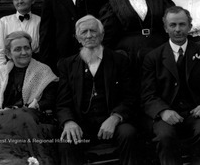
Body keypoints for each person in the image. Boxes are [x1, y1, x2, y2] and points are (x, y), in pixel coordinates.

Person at [141, 6, 200, 165]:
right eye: (172, 25)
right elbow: (148, 94)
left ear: (190, 27)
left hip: (195, 113)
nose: (178, 29)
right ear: (165, 28)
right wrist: (163, 111)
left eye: (182, 24)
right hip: (167, 114)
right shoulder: (153, 57)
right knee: (164, 136)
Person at [56, 15, 139, 165]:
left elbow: (130, 97)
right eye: (84, 32)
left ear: (102, 35)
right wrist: (68, 122)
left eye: (93, 31)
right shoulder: (67, 65)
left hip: (113, 122)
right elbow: (63, 102)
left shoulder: (120, 61)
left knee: (129, 133)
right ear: (77, 38)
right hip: (82, 125)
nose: (89, 36)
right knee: (67, 141)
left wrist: (115, 117)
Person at [0, 31, 59, 165]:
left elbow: (50, 100)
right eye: (17, 49)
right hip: (2, 125)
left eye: (26, 48)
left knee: (23, 118)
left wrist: (18, 110)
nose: (24, 52)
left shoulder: (43, 71)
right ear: (9, 54)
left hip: (33, 123)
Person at [100, 0, 174, 77]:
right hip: (129, 57)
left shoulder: (159, 0)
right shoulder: (113, 5)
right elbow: (108, 37)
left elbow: (170, 27)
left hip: (158, 52)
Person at [39, 0, 109, 74]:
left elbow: (107, 32)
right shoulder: (51, 2)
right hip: (63, 66)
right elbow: (46, 39)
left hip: (95, 63)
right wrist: (48, 69)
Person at [0, 0, 40, 75]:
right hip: (9, 72)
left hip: (35, 71)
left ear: (33, 0)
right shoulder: (2, 23)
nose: (20, 1)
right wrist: (2, 75)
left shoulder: (40, 22)